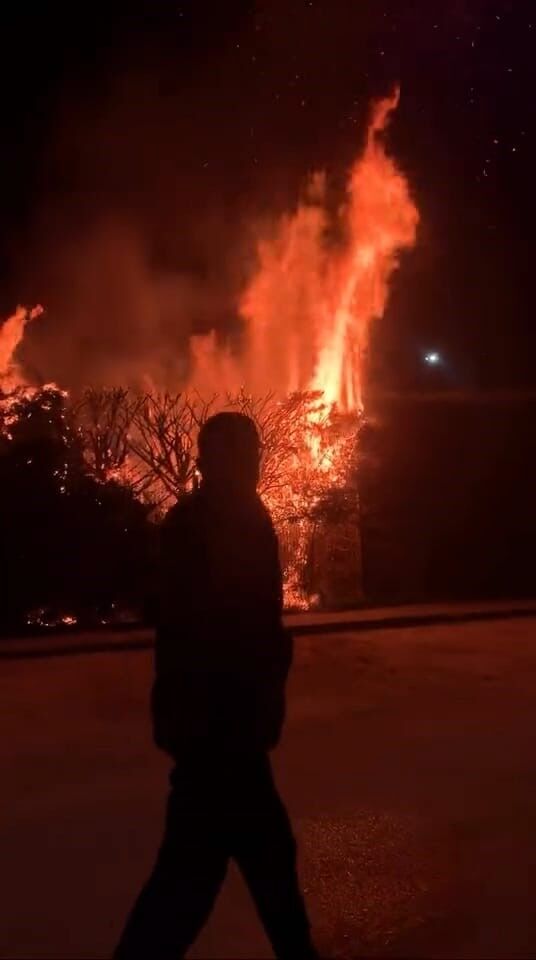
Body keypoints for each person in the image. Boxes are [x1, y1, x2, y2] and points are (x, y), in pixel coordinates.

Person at [114, 412, 318, 959]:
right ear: (213, 462)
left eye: (251, 455)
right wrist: (254, 696)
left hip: (222, 727)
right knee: (210, 874)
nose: (250, 466)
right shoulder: (211, 524)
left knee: (230, 865)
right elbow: (223, 628)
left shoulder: (228, 518)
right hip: (220, 728)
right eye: (241, 456)